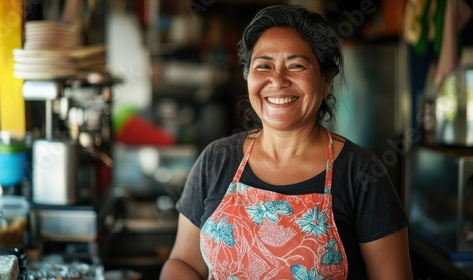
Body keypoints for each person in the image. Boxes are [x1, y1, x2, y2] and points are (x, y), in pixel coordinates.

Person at [160, 4, 412, 280]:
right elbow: (183, 262)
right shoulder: (216, 160)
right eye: (264, 66)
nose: (277, 81)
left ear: (325, 80)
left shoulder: (362, 173)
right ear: (248, 76)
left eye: (296, 66)